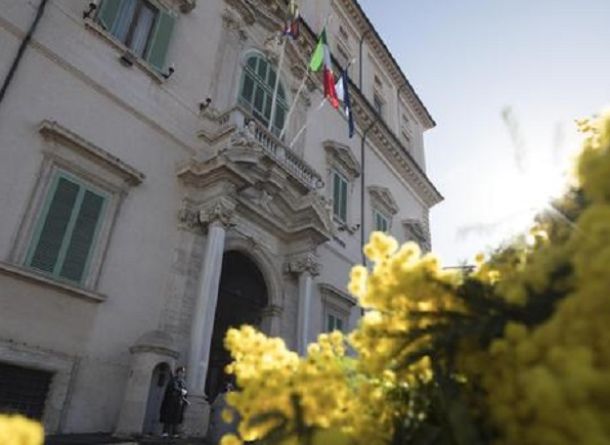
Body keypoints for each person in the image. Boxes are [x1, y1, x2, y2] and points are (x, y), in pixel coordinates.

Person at [160, 366, 188, 438]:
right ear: (177, 372)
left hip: (179, 402)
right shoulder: (173, 380)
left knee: (177, 417)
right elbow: (174, 388)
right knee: (168, 416)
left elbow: (185, 391)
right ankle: (165, 432)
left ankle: (175, 433)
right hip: (171, 401)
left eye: (183, 372)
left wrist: (185, 396)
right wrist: (181, 391)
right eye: (181, 372)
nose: (182, 374)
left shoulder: (183, 382)